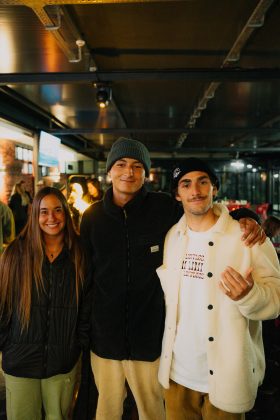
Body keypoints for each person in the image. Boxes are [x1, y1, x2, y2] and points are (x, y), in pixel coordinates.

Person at [80, 137, 264, 420]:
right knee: (106, 410)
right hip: (104, 338)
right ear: (109, 171)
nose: (128, 172)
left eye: (136, 166)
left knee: (153, 411)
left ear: (146, 173)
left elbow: (202, 210)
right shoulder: (92, 218)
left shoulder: (163, 208)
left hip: (149, 337)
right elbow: (87, 275)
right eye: (121, 165)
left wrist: (245, 217)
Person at [156, 157, 280, 420]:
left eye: (203, 181)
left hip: (227, 378)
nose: (195, 190)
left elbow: (276, 298)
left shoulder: (247, 238)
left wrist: (250, 296)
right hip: (178, 375)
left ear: (215, 187)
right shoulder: (172, 239)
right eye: (186, 184)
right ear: (177, 195)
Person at [0, 186, 91, 420]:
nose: (51, 218)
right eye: (44, 212)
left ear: (66, 214)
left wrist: (76, 344)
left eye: (58, 210)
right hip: (20, 360)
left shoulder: (80, 255)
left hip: (62, 361)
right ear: (34, 215)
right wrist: (7, 346)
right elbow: (2, 307)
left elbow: (87, 307)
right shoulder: (15, 255)